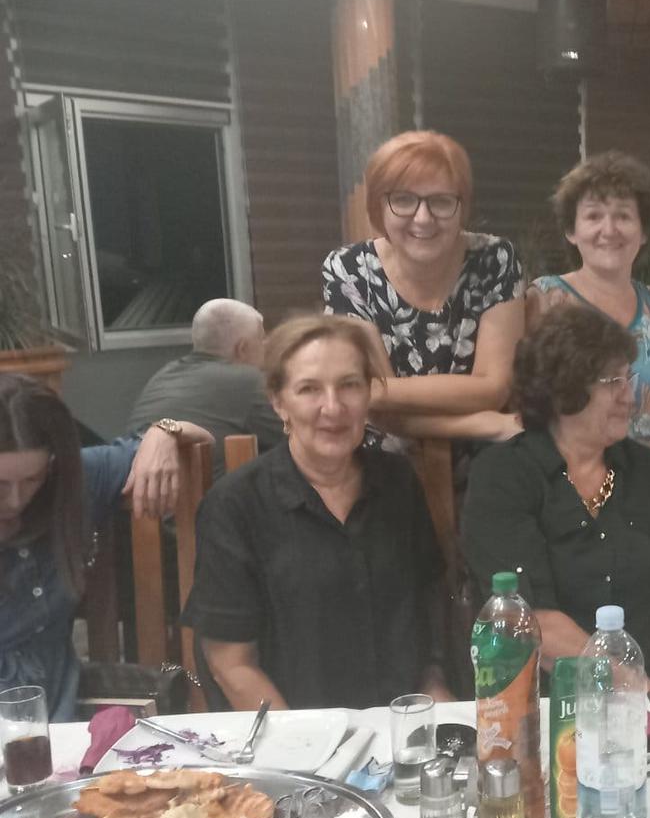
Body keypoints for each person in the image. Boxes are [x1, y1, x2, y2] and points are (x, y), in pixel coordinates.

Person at [184, 316, 454, 710]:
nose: (333, 407)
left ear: (368, 393)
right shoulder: (235, 505)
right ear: (279, 402)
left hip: (400, 726)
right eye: (309, 389)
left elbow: (427, 617)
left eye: (349, 385)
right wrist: (303, 741)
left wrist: (435, 694)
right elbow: (231, 666)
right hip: (289, 732)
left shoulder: (398, 482)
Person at [463, 306, 650, 691]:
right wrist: (632, 685)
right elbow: (529, 618)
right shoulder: (502, 476)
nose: (630, 396)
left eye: (628, 378)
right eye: (613, 382)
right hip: (540, 701)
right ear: (563, 390)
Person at [1, 374, 210, 721]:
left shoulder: (74, 481)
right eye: (0, 484)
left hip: (58, 724)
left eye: (31, 479)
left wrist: (163, 432)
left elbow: (202, 440)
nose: (15, 499)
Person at [321, 130, 523, 441]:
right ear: (378, 206)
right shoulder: (348, 269)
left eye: (441, 201)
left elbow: (494, 389)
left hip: (487, 453)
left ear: (462, 207)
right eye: (403, 200)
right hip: (386, 456)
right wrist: (484, 424)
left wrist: (378, 391)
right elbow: (373, 408)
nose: (423, 218)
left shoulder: (495, 259)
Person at [525, 151, 650, 454]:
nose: (609, 229)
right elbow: (523, 408)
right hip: (570, 478)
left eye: (623, 216)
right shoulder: (544, 300)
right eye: (594, 216)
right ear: (571, 230)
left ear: (644, 231)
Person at [126, 298, 284, 481]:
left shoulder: (163, 375)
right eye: (262, 339)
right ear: (242, 349)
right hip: (209, 497)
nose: (266, 346)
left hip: (138, 494)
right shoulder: (249, 381)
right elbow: (299, 440)